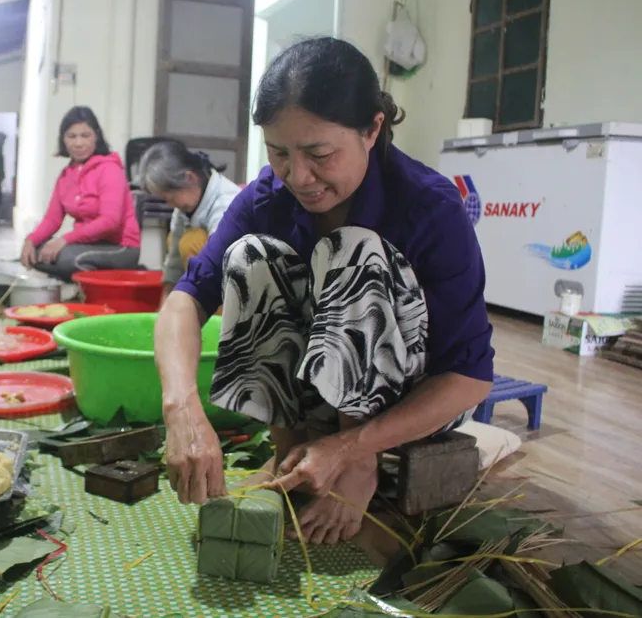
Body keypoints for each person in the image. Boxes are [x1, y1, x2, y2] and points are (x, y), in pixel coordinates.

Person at [155, 37, 494, 545]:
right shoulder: (265, 198)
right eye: (279, 153)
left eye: (319, 154)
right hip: (318, 388)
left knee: (352, 252)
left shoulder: (429, 207)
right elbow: (185, 300)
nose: (299, 176)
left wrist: (352, 446)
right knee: (251, 256)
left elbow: (469, 378)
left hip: (414, 398)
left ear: (372, 129)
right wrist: (181, 407)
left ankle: (356, 467)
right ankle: (290, 448)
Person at [20, 106, 141, 281]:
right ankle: (81, 276)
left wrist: (64, 240)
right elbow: (52, 220)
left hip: (120, 247)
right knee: (37, 252)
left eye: (85, 135)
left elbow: (110, 221)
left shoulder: (110, 169)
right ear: (63, 140)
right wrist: (30, 240)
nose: (78, 143)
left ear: (96, 137)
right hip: (86, 245)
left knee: (67, 260)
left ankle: (99, 286)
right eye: (72, 136)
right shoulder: (66, 175)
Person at [138, 140, 241, 304]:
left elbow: (223, 264)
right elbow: (174, 262)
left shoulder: (226, 204)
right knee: (176, 240)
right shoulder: (185, 207)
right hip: (208, 282)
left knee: (191, 241)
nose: (170, 205)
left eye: (170, 198)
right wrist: (165, 304)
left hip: (234, 287)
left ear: (190, 178)